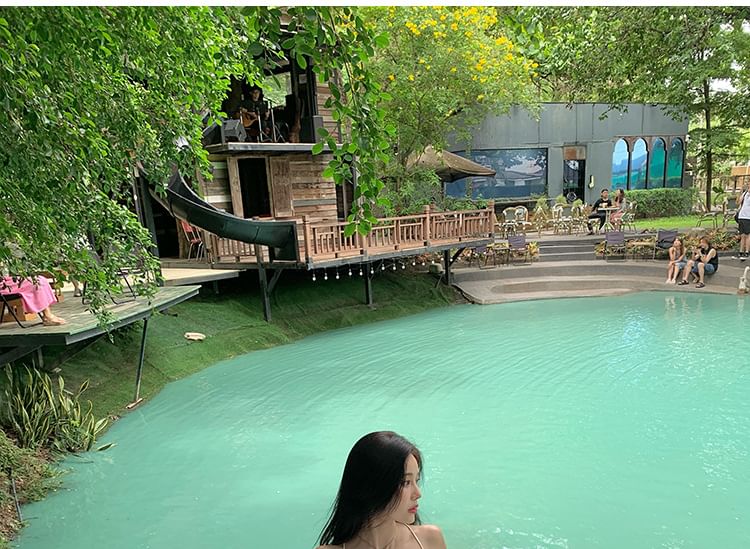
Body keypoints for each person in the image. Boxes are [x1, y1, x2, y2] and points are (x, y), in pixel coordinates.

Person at [316, 431, 447, 549]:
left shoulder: (430, 539)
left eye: (416, 481)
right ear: (373, 486)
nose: (418, 494)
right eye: (405, 482)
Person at [1, 275, 66, 325]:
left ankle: (47, 314)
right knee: (36, 283)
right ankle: (47, 316)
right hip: (3, 286)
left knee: (40, 279)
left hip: (6, 280)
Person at [733, 185, 750, 261]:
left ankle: (747, 252)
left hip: (748, 216)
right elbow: (738, 202)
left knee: (748, 235)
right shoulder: (745, 193)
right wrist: (741, 192)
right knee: (742, 235)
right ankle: (741, 251)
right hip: (742, 216)